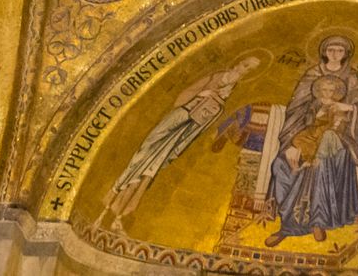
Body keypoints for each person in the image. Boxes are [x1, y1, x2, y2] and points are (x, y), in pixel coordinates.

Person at [101, 54, 264, 234]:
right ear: (238, 62)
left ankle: (120, 216)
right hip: (170, 126)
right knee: (142, 160)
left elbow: (202, 126)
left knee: (150, 172)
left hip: (179, 136)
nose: (245, 71)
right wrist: (203, 95)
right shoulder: (214, 77)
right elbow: (182, 98)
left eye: (250, 70)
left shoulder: (229, 92)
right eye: (245, 65)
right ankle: (109, 208)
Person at [264, 37, 358, 243]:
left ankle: (318, 220)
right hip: (306, 133)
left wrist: (346, 107)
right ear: (324, 51)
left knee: (321, 160)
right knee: (280, 164)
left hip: (338, 136)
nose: (334, 53)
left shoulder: (352, 76)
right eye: (331, 49)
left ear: (346, 53)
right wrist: (290, 144)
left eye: (339, 50)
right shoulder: (311, 75)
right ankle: (286, 225)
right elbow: (296, 109)